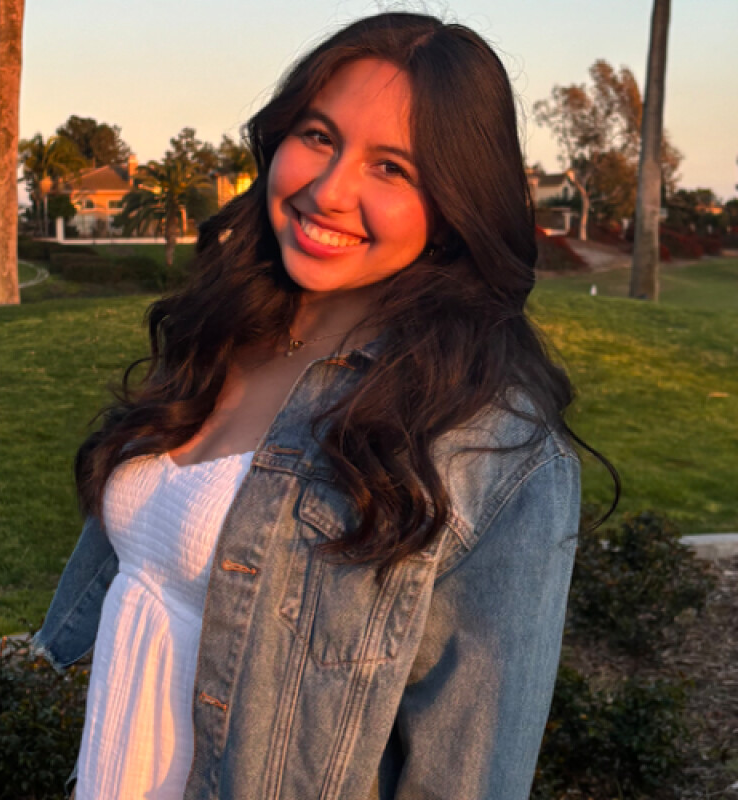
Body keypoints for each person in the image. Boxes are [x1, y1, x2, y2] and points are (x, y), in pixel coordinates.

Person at [33, 11, 617, 800]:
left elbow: (469, 775)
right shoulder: (224, 332)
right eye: (318, 136)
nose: (329, 190)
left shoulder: (488, 450)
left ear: (456, 205)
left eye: (393, 169)